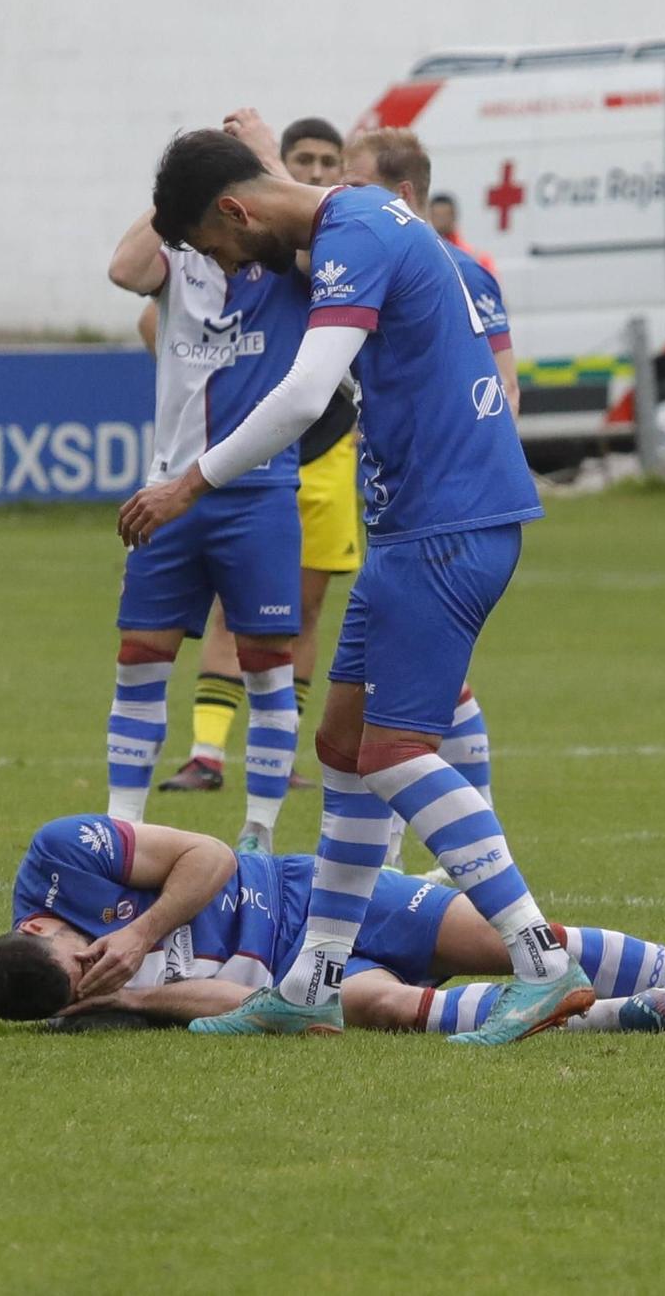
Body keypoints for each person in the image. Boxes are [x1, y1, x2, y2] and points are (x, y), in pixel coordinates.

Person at [118, 129, 588, 1044]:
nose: (229, 266)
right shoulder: (358, 220)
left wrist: (187, 483)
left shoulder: (358, 235)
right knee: (341, 743)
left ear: (236, 213)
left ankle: (541, 956)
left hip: (447, 526)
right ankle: (313, 982)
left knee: (396, 748)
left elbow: (302, 396)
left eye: (218, 248)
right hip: (415, 529)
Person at [0, 815, 665, 1036]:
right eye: (90, 978)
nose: (103, 965)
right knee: (384, 1010)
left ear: (44, 927)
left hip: (324, 897)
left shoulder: (64, 856)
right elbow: (219, 1002)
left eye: (88, 955)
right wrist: (126, 1000)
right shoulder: (76, 992)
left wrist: (139, 930)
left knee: (526, 943)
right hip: (300, 982)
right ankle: (618, 1015)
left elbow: (210, 854)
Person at [104, 109, 308, 857]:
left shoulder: (285, 255)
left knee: (265, 661)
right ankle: (123, 824)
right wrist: (180, 186)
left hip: (258, 492)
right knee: (140, 653)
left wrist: (261, 160)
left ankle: (258, 827)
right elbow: (124, 269)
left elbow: (317, 229)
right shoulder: (178, 258)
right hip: (168, 488)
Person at [158, 116, 362, 800]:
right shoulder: (253, 248)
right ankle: (209, 752)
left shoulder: (328, 246)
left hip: (326, 447)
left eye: (323, 161)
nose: (309, 170)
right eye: (298, 157)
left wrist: (268, 164)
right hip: (251, 458)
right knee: (231, 607)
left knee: (297, 611)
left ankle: (278, 756)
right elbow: (144, 301)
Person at [344, 126, 514, 864]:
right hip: (432, 508)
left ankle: (496, 906)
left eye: (353, 186)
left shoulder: (405, 270)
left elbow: (499, 389)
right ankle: (359, 915)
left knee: (387, 733)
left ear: (403, 196)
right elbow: (507, 385)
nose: (341, 202)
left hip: (432, 518)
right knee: (406, 700)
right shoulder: (465, 269)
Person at [427, 191, 495, 274]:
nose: (441, 220)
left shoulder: (475, 258)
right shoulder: (427, 254)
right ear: (430, 216)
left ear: (454, 215)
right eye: (437, 215)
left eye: (445, 215)